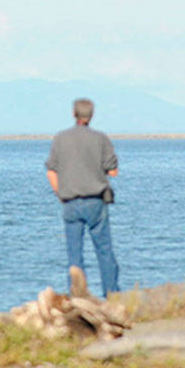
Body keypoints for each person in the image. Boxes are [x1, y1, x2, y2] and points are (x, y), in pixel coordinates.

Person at [45, 98, 120, 296]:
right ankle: (112, 294)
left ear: (73, 114)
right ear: (91, 115)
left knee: (74, 255)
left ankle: (76, 296)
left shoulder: (61, 138)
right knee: (104, 251)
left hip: (70, 201)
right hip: (96, 201)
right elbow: (113, 171)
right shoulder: (100, 138)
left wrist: (60, 193)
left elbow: (51, 171)